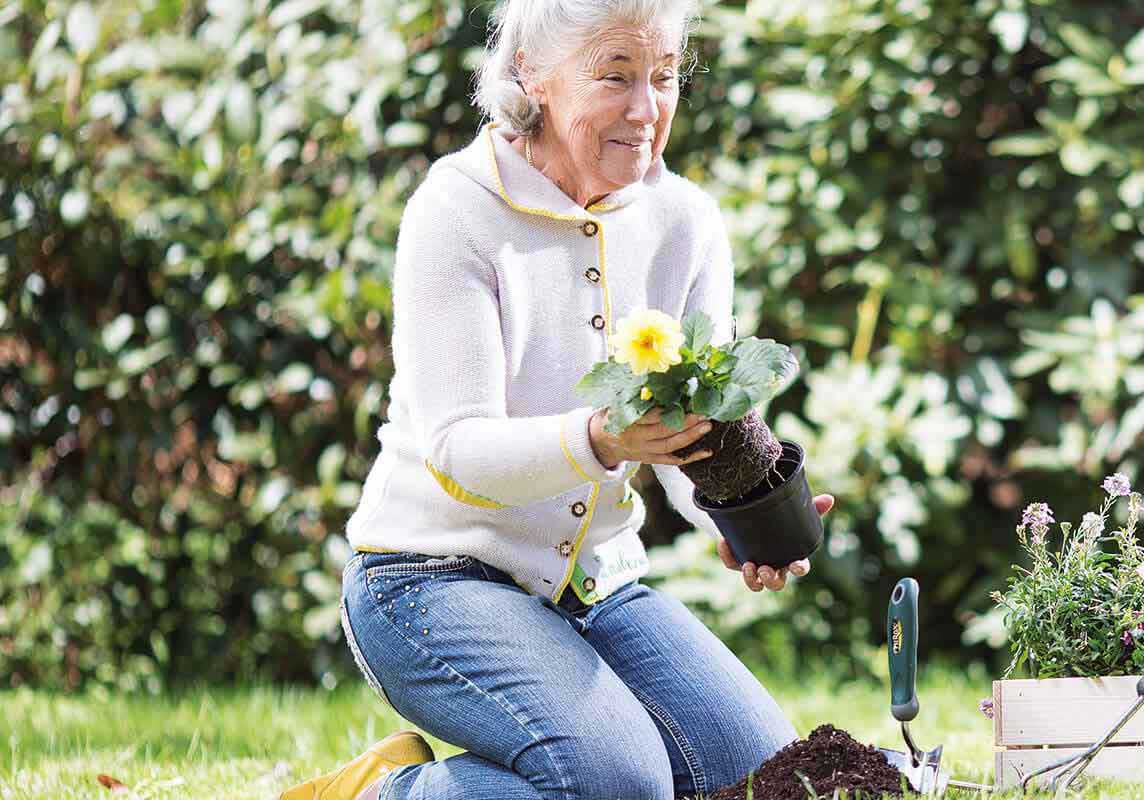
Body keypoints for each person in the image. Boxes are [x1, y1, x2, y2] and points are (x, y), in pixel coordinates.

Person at [279, 1, 826, 797]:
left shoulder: (685, 221)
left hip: (598, 584)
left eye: (664, 77)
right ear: (531, 74)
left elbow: (693, 422)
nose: (646, 111)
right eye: (615, 77)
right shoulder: (456, 208)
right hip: (428, 579)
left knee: (761, 779)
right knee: (619, 782)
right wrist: (602, 438)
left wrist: (744, 516)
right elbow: (459, 450)